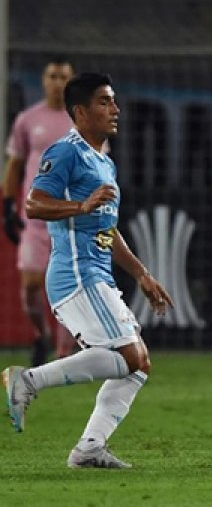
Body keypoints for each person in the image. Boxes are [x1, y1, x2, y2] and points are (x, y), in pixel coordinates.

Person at [2, 72, 173, 469]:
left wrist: (141, 274)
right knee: (129, 356)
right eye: (104, 101)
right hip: (75, 276)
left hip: (99, 276)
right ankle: (27, 380)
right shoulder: (66, 152)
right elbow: (33, 204)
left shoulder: (104, 163)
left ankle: (90, 448)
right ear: (80, 111)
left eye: (113, 100)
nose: (115, 108)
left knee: (139, 364)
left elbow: (107, 230)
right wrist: (79, 206)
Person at [3, 57, 80, 366]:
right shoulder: (27, 119)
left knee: (68, 289)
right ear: (44, 80)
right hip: (34, 218)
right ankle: (39, 334)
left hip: (72, 219)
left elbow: (99, 167)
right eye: (52, 76)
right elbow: (15, 164)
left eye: (64, 76)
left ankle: (64, 353)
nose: (58, 82)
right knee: (32, 284)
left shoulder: (83, 119)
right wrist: (8, 205)